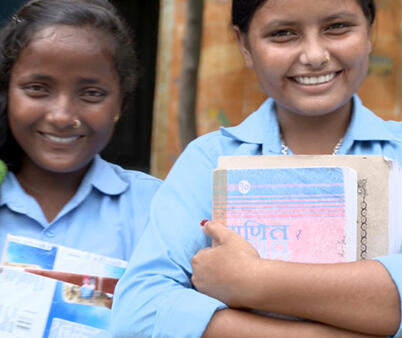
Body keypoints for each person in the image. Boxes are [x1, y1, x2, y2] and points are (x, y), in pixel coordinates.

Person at [110, 0, 402, 337]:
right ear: (244, 45)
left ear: (370, 32)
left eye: (336, 27)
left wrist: (251, 280)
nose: (314, 54)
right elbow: (138, 313)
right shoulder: (206, 161)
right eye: (283, 34)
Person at [0, 0, 161, 265]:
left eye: (91, 94)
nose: (62, 116)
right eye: (37, 88)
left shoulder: (157, 210)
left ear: (120, 104)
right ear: (5, 93)